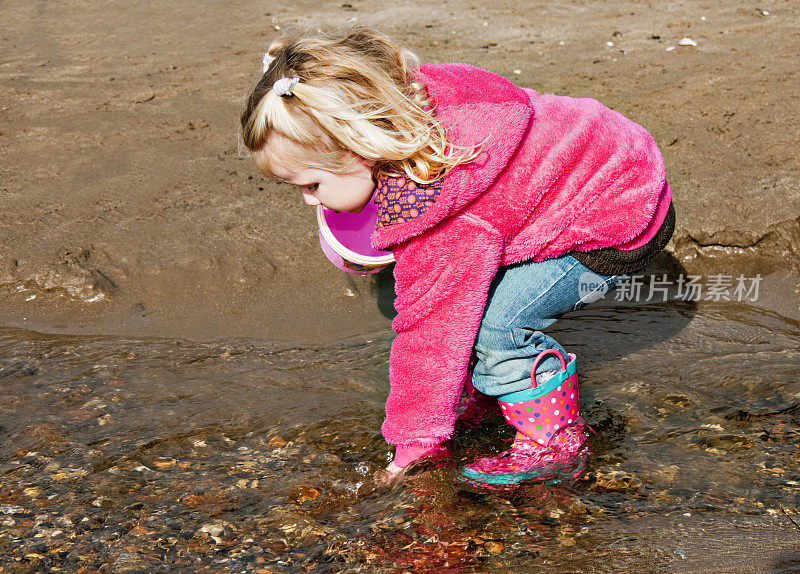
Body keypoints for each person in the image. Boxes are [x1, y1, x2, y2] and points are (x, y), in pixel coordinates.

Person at [240, 26, 675, 485]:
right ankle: (488, 388)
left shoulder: (443, 209)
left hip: (616, 217)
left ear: (360, 151)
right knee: (459, 295)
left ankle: (555, 443)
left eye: (312, 185)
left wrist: (416, 444)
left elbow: (431, 330)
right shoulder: (412, 101)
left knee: (497, 327)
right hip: (608, 158)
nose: (310, 201)